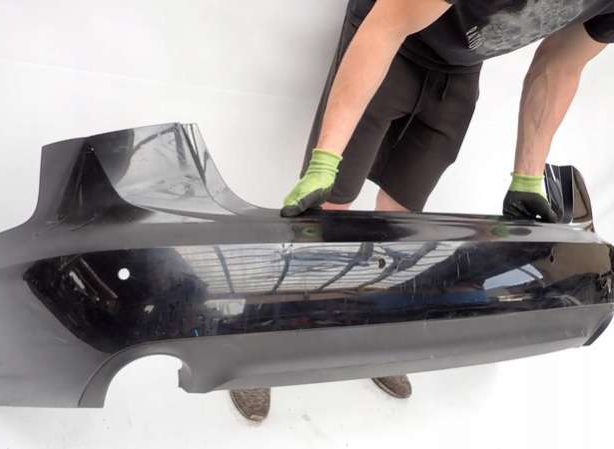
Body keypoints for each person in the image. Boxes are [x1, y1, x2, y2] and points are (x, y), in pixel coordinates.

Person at [230, 0, 614, 422]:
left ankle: (379, 336)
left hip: (458, 67)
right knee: (328, 215)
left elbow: (562, 64)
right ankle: (256, 345)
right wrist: (326, 160)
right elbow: (388, 24)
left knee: (404, 224)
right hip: (390, 31)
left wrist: (527, 176)